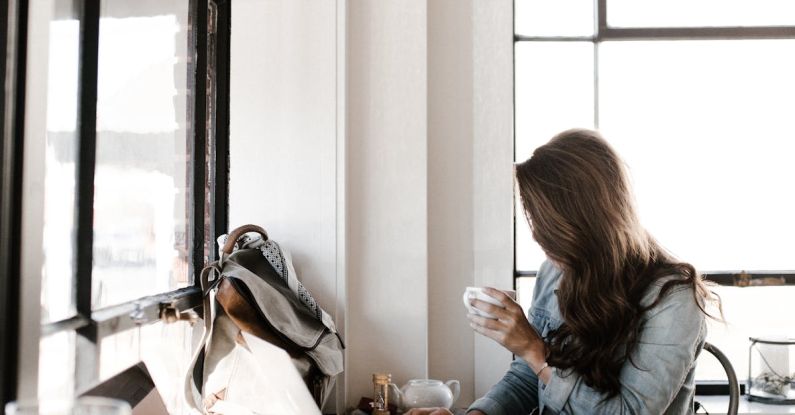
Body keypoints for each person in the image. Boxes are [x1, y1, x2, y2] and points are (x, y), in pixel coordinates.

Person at [406, 129, 720, 415]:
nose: (537, 235)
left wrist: (533, 348)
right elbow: (527, 379)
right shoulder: (556, 273)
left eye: (544, 223)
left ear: (583, 220)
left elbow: (629, 411)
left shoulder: (674, 300)